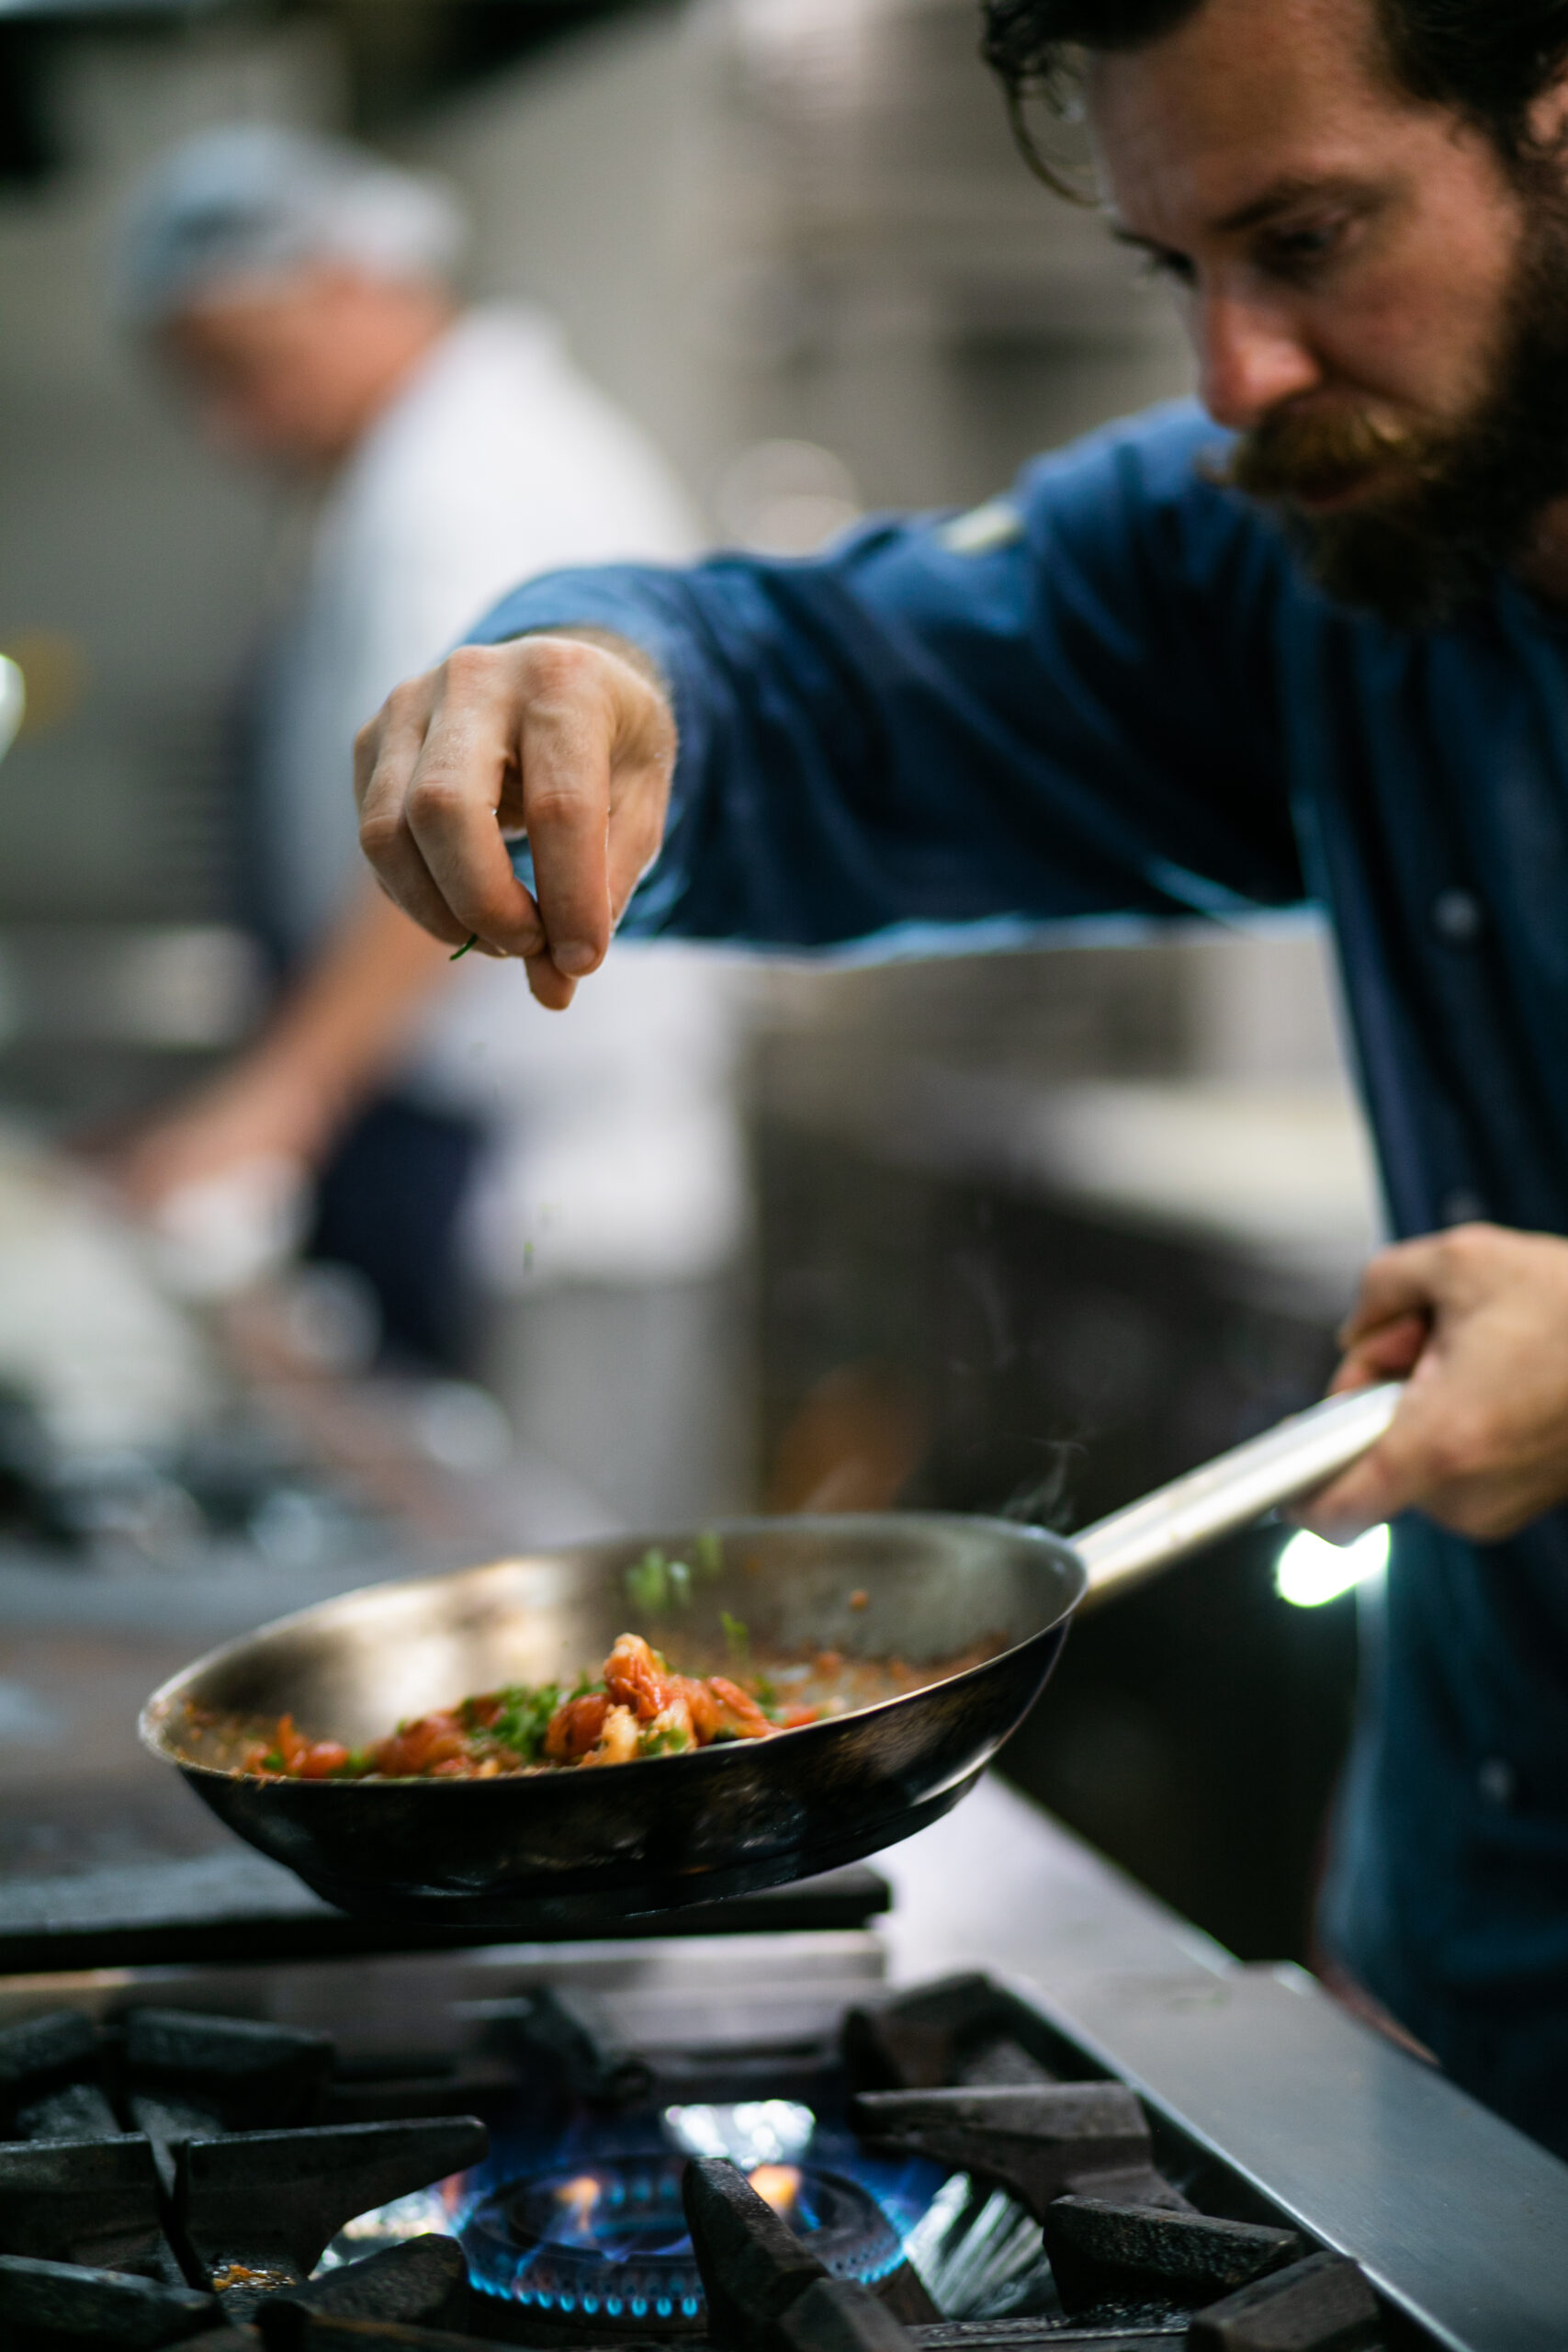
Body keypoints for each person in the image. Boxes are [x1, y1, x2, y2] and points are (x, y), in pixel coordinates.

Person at [349, 0, 1568, 2147]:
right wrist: (598, 680)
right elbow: (835, 684)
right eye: (1174, 269)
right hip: (1470, 1956)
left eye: (1304, 236)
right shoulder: (1313, 548)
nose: (1233, 373)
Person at [109, 127, 750, 1518]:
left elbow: (480, 813)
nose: (234, 429)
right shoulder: (405, 475)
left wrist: (278, 1099)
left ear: (356, 283)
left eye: (247, 373)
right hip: (447, 1159)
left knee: (570, 1615)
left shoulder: (482, 479)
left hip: (547, 1193)